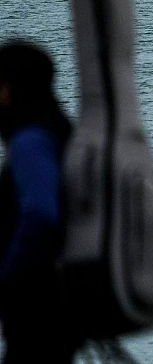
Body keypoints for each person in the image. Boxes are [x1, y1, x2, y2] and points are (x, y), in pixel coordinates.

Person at [0, 40, 81, 364]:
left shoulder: (30, 141)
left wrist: (8, 274)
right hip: (63, 296)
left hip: (35, 299)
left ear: (8, 90)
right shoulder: (61, 128)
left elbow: (40, 213)